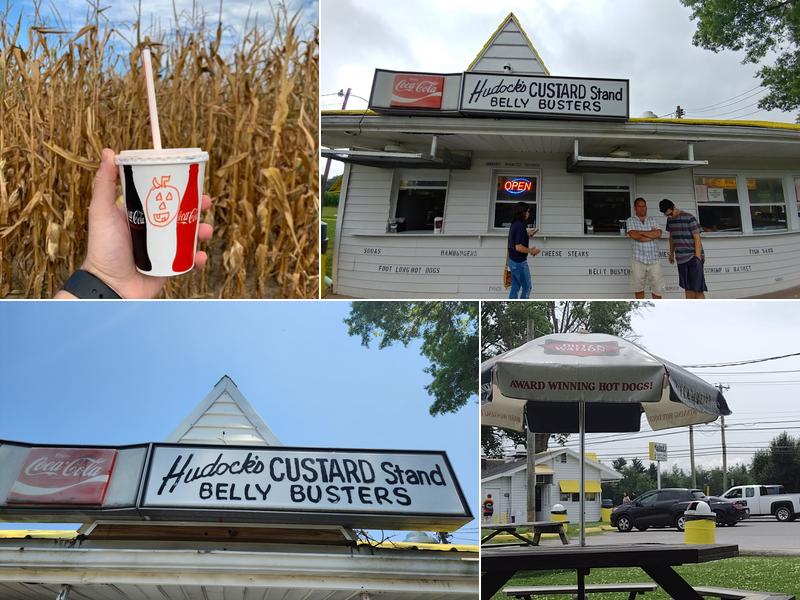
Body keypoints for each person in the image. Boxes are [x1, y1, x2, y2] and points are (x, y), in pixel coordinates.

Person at [54, 148, 213, 299]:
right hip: (132, 266)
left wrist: (103, 283)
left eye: (167, 199)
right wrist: (104, 278)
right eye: (159, 199)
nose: (162, 204)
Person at [659, 199, 707, 299]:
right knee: (687, 288)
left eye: (670, 214)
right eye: (667, 215)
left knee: (698, 289)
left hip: (693, 257)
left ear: (674, 207)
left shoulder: (689, 217)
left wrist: (698, 258)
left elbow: (697, 238)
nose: (669, 216)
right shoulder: (670, 220)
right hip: (681, 259)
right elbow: (671, 237)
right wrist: (671, 253)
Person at [625, 197, 664, 299]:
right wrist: (651, 234)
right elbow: (634, 235)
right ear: (635, 208)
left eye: (644, 206)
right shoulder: (630, 220)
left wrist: (641, 233)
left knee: (657, 289)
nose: (642, 208)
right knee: (638, 288)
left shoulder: (653, 220)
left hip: (654, 260)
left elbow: (658, 233)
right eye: (640, 206)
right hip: (638, 259)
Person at [507, 201, 540, 299]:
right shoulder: (520, 226)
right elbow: (518, 247)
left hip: (512, 261)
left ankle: (513, 303)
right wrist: (531, 251)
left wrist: (528, 234)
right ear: (523, 212)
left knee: (515, 287)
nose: (529, 213)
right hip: (519, 263)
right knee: (527, 287)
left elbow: (516, 240)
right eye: (528, 211)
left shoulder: (515, 224)